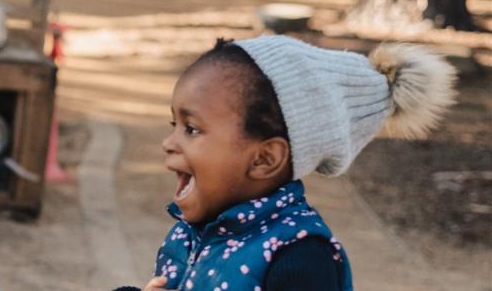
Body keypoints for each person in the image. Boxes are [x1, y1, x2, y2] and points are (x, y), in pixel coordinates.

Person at [136, 36, 456, 290]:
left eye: (191, 129)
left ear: (265, 158)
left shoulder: (299, 258)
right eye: (173, 126)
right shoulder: (195, 232)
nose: (169, 143)